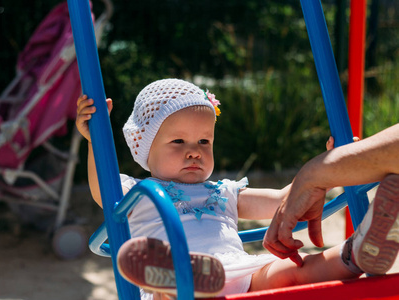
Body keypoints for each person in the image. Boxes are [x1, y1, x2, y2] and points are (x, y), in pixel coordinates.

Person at [76, 79, 396, 299]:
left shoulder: (224, 192)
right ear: (146, 150)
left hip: (238, 277)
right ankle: (177, 280)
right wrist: (95, 141)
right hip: (176, 282)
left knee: (292, 269)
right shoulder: (140, 192)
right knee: (171, 288)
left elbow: (286, 200)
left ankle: (355, 254)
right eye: (178, 141)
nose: (194, 151)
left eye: (204, 141)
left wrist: (335, 164)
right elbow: (102, 191)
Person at [264, 123, 399, 269]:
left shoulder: (236, 194)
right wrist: (332, 167)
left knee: (293, 268)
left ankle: (355, 250)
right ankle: (356, 249)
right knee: (290, 268)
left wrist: (330, 172)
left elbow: (280, 200)